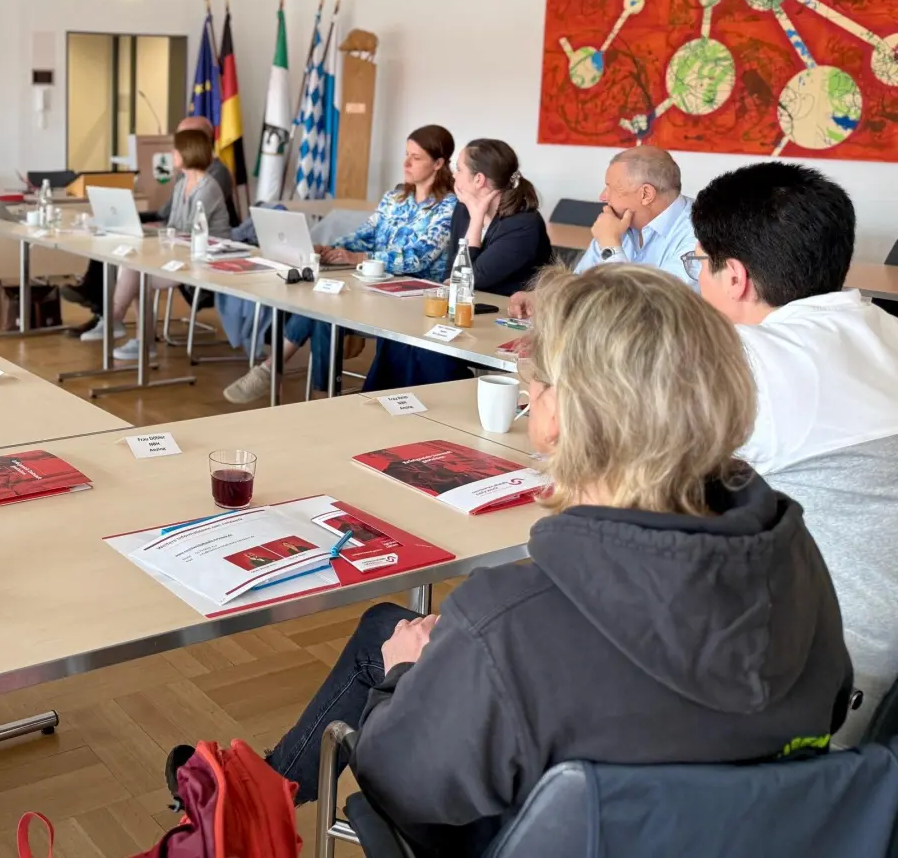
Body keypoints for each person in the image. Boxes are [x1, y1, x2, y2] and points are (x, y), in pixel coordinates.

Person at [266, 263, 853, 856]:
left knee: (389, 641)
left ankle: (264, 791)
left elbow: (398, 783)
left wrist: (401, 674)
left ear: (554, 415)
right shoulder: (796, 558)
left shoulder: (505, 625)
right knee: (385, 628)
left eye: (535, 381)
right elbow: (827, 709)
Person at [690, 160, 898, 744]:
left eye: (698, 263)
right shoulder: (884, 328)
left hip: (830, 678)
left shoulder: (753, 361)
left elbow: (645, 481)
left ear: (734, 276)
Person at [222, 125, 458, 403]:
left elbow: (418, 256)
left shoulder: (449, 207)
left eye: (416, 158)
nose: (406, 163)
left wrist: (360, 258)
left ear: (439, 163)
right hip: (373, 287)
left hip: (412, 299)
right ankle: (319, 394)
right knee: (324, 306)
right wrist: (334, 248)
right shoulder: (395, 199)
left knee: (325, 307)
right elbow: (365, 234)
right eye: (406, 154)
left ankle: (276, 370)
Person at [360, 138, 552, 391]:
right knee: (398, 339)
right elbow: (453, 273)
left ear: (479, 180)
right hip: (466, 315)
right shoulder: (462, 210)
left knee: (428, 352)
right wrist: (473, 215)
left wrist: (475, 220)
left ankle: (436, 409)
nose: (453, 174)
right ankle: (386, 407)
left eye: (459, 168)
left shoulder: (524, 224)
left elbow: (472, 278)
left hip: (505, 323)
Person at [61, 114, 239, 334]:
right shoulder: (183, 181)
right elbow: (170, 219)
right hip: (181, 249)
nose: (172, 152)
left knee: (135, 266)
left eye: (179, 145)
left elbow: (190, 232)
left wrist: (157, 235)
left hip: (203, 257)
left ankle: (113, 322)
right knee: (124, 250)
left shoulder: (210, 183)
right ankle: (115, 322)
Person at [509, 144, 695, 318]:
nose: (602, 196)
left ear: (645, 194)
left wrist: (610, 245)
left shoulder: (699, 232)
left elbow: (652, 312)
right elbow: (583, 284)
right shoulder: (620, 222)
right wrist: (542, 298)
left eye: (611, 188)